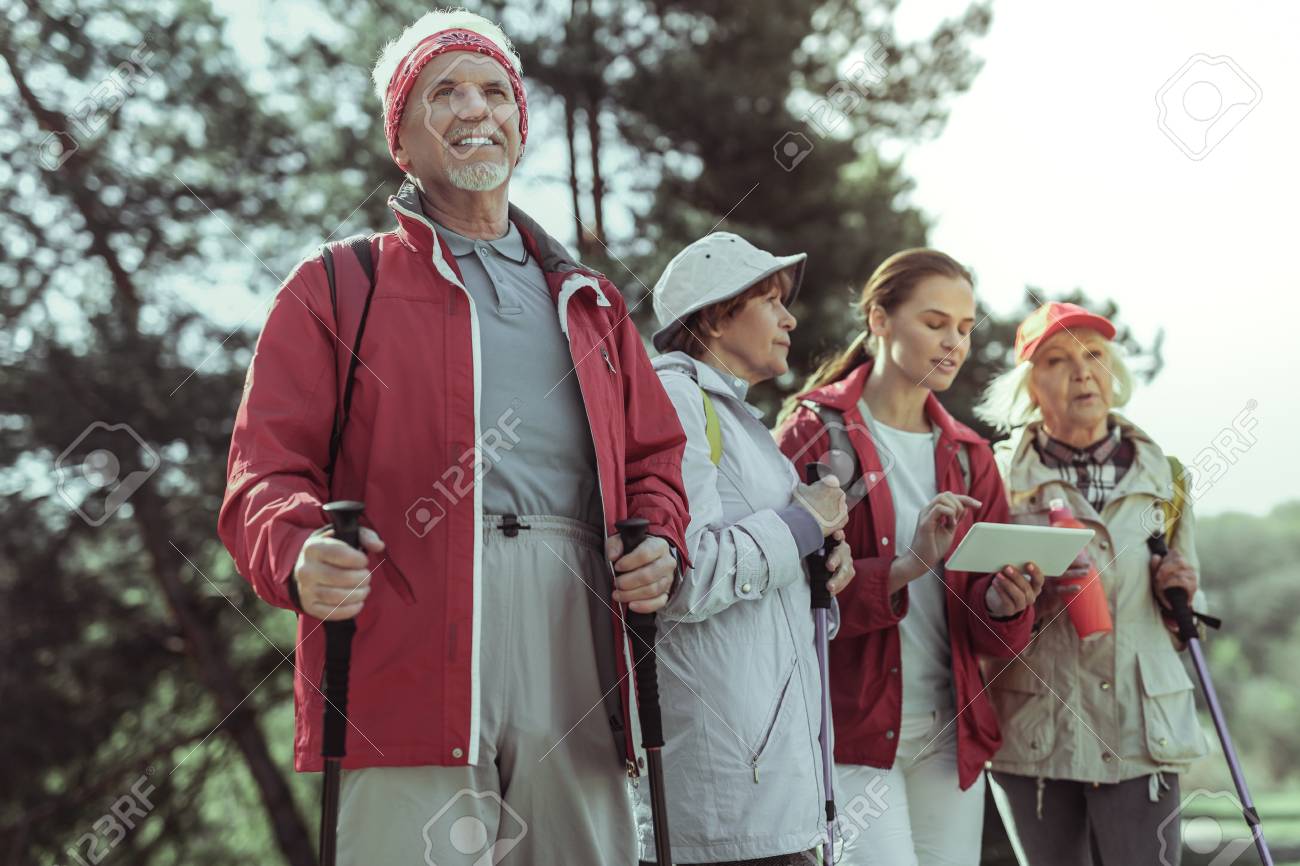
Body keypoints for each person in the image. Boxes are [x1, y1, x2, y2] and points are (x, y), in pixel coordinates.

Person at [218, 10, 691, 864]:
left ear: (520, 121)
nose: (477, 109)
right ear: (401, 140)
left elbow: (656, 459)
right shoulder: (334, 285)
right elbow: (263, 468)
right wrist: (296, 552)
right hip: (403, 622)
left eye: (495, 91)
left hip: (576, 617)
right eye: (445, 93)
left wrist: (660, 541)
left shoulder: (591, 300)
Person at [775, 248, 1044, 866]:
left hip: (952, 737)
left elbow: (985, 631)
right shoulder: (813, 433)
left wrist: (1004, 606)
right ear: (879, 319)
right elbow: (786, 593)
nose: (954, 342)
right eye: (935, 322)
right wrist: (904, 569)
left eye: (966, 328)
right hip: (851, 733)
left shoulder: (973, 454)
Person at [644, 232, 856, 865]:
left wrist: (821, 562)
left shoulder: (738, 419)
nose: (790, 317)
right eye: (770, 299)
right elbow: (683, 576)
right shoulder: (678, 401)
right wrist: (801, 528)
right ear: (714, 313)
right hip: (728, 807)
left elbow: (766, 571)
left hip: (775, 795)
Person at [974, 301, 1209, 866]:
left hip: (1141, 734)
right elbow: (971, 614)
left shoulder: (1167, 479)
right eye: (1056, 360)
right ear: (1028, 385)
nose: (1081, 372)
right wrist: (1009, 600)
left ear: (1112, 369)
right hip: (1038, 736)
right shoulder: (995, 477)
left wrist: (1183, 594)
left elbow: (1184, 626)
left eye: (1094, 356)